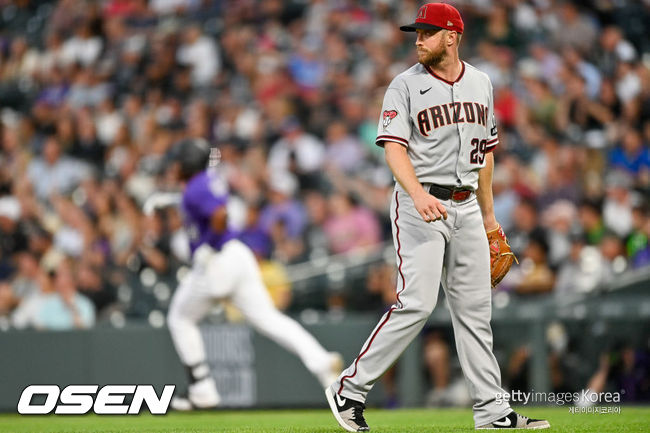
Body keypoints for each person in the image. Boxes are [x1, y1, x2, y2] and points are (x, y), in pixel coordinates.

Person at [324, 4, 549, 431]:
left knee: (476, 311)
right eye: (417, 33)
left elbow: (485, 156)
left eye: (427, 32)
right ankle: (349, 389)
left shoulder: (482, 83)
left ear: (451, 36)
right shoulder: (403, 85)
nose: (418, 40)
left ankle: (492, 411)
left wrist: (489, 217)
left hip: (466, 206)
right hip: (418, 203)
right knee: (417, 302)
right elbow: (393, 148)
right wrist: (416, 193)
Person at [156, 138, 341, 410]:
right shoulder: (203, 181)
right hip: (236, 256)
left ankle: (202, 388)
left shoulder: (196, 187)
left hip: (216, 261)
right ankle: (321, 361)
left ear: (187, 163)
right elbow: (203, 202)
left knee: (179, 318)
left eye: (177, 162)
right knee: (269, 319)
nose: (173, 166)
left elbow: (219, 214)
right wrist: (174, 200)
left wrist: (209, 244)